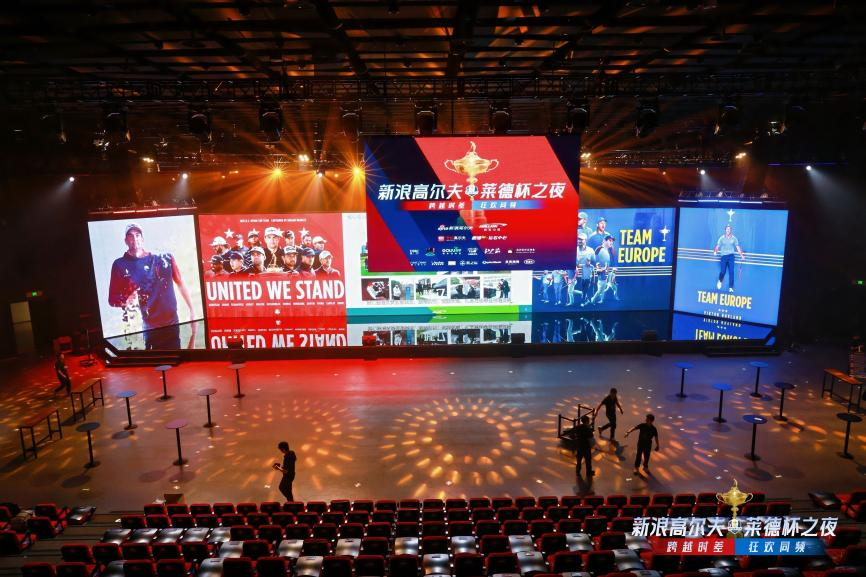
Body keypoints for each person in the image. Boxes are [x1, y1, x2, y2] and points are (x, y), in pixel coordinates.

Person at [108, 223, 195, 348]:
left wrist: (192, 310)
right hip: (150, 327)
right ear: (126, 241)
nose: (134, 239)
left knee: (175, 357)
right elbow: (112, 299)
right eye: (130, 236)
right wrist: (126, 300)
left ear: (142, 239)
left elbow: (180, 282)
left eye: (137, 235)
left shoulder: (163, 259)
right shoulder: (119, 265)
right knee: (154, 359)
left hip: (172, 322)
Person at [713, 224, 746, 292]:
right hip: (724, 256)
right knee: (723, 271)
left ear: (731, 230)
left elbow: (738, 247)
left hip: (731, 256)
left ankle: (731, 287)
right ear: (725, 230)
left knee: (731, 272)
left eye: (729, 229)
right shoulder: (721, 238)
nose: (728, 230)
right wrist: (715, 251)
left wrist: (742, 255)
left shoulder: (734, 238)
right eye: (727, 229)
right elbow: (717, 246)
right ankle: (720, 281)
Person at [591, 234, 619, 304]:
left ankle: (614, 296)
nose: (611, 242)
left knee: (614, 287)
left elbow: (613, 263)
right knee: (600, 290)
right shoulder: (599, 249)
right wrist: (600, 269)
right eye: (610, 240)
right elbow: (595, 262)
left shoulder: (611, 250)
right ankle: (593, 299)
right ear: (604, 241)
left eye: (612, 241)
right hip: (602, 274)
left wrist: (613, 274)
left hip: (609, 273)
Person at [573, 234, 596, 306]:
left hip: (586, 275)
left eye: (581, 239)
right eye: (578, 239)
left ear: (585, 240)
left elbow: (594, 262)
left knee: (585, 289)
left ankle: (584, 301)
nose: (579, 241)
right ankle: (585, 300)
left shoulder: (591, 250)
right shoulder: (574, 250)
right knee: (577, 290)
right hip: (576, 274)